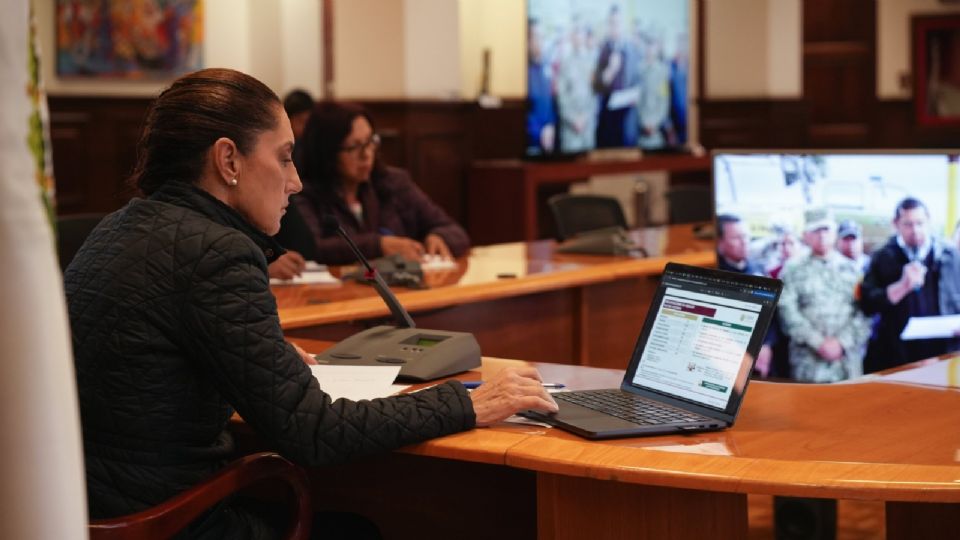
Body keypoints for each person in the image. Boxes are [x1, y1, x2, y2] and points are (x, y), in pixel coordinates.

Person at [63, 68, 558, 539]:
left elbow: (147, 371)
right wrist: (469, 403)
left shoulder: (116, 227)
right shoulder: (218, 251)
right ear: (228, 160)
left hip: (83, 513)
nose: (296, 181)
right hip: (166, 524)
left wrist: (255, 361)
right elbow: (312, 430)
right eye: (283, 157)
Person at [290, 101, 470, 264]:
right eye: (354, 147)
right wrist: (379, 246)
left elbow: (453, 229)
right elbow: (313, 248)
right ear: (327, 153)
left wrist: (439, 237)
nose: (366, 155)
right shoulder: (303, 192)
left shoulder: (393, 182)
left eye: (370, 142)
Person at [860, 197, 960, 372]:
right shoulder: (882, 257)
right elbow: (867, 304)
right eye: (908, 224)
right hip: (896, 354)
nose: (915, 230)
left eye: (920, 223)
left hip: (943, 351)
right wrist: (902, 286)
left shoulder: (950, 256)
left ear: (929, 221)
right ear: (896, 224)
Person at [778, 210, 871, 382]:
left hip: (846, 362)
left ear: (835, 233)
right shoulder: (792, 269)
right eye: (815, 231)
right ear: (805, 235)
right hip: (808, 362)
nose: (821, 236)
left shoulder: (852, 270)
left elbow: (865, 312)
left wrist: (842, 342)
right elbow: (786, 311)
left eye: (826, 230)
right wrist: (818, 343)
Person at [556, 19, 596, 153]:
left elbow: (595, 96)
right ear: (571, 36)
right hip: (570, 129)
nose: (578, 36)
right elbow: (561, 95)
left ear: (585, 36)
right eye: (575, 32)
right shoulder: (565, 63)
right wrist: (573, 119)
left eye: (581, 32)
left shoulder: (593, 62)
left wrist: (585, 118)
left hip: (588, 127)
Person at [527, 18, 557, 153]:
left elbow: (550, 101)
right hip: (531, 142)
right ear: (527, 41)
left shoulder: (545, 66)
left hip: (549, 139)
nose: (541, 42)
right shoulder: (523, 71)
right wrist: (539, 132)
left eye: (542, 37)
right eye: (537, 37)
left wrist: (550, 126)